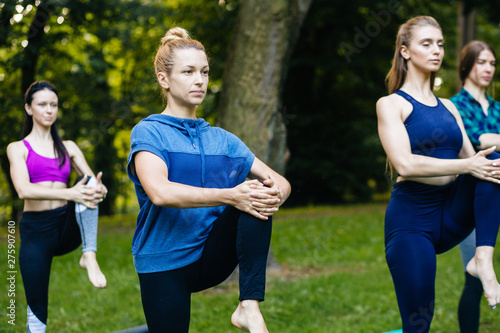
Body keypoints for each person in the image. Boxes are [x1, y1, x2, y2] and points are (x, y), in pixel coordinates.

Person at [127, 27, 291, 333]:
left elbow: (280, 181)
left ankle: (249, 306)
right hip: (163, 262)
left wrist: (273, 193)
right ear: (164, 79)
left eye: (204, 71)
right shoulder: (149, 132)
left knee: (256, 193)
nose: (199, 80)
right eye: (188, 72)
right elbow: (160, 192)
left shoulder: (222, 140)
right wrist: (231, 195)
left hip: (210, 254)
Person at [376, 16, 500, 333]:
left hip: (449, 214)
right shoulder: (391, 105)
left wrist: (477, 165)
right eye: (427, 43)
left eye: (441, 44)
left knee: (492, 160)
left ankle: (483, 260)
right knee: (419, 325)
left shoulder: (449, 106)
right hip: (411, 222)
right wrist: (467, 166)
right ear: (405, 51)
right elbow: (405, 164)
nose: (437, 51)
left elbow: (476, 164)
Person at [7, 81, 107, 332]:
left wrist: (99, 190)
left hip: (65, 226)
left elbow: (91, 182)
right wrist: (72, 192)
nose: (49, 110)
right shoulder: (17, 149)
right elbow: (23, 190)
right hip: (36, 233)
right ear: (29, 109)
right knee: (37, 308)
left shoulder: (69, 147)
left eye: (53, 105)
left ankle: (89, 255)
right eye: (42, 105)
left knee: (88, 184)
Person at [450, 40, 500, 333]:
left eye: (492, 63)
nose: (488, 69)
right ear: (467, 65)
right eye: (482, 62)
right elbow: (477, 142)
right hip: (472, 199)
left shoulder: (496, 107)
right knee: (474, 277)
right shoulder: (455, 107)